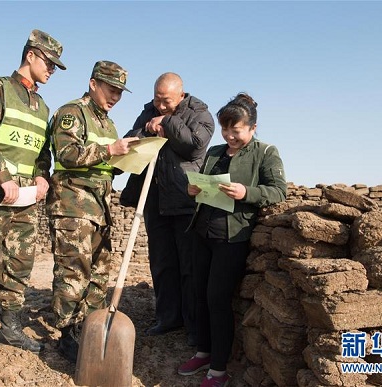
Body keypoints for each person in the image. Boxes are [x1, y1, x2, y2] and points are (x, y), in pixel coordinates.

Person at [0, 29, 66, 367]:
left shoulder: (42, 105)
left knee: (21, 262)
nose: (52, 69)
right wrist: (3, 178)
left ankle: (10, 326)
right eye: (49, 62)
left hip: (28, 198)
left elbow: (42, 151)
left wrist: (41, 176)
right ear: (31, 55)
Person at [177, 93, 287, 386]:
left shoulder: (265, 152)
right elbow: (201, 183)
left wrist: (246, 193)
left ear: (251, 127)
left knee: (217, 299)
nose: (229, 135)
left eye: (235, 130)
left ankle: (218, 369)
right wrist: (194, 191)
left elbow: (278, 191)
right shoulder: (214, 152)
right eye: (225, 129)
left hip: (232, 236)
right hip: (202, 231)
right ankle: (203, 351)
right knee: (199, 294)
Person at [46, 60, 138, 363]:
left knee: (99, 273)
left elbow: (103, 167)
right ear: (93, 83)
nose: (115, 97)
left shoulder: (107, 123)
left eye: (120, 93)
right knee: (74, 271)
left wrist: (130, 159)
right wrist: (110, 150)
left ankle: (90, 327)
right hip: (72, 206)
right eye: (111, 89)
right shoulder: (72, 113)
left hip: (100, 209)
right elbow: (67, 154)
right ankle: (67, 333)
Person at [122, 73, 214, 346]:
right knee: (162, 263)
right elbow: (131, 139)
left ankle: (192, 323)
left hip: (186, 201)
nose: (160, 106)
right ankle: (167, 317)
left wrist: (168, 122)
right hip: (155, 200)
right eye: (157, 100)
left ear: (181, 96)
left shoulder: (201, 113)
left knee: (189, 266)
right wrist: (148, 129)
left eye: (167, 101)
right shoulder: (147, 112)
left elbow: (195, 147)